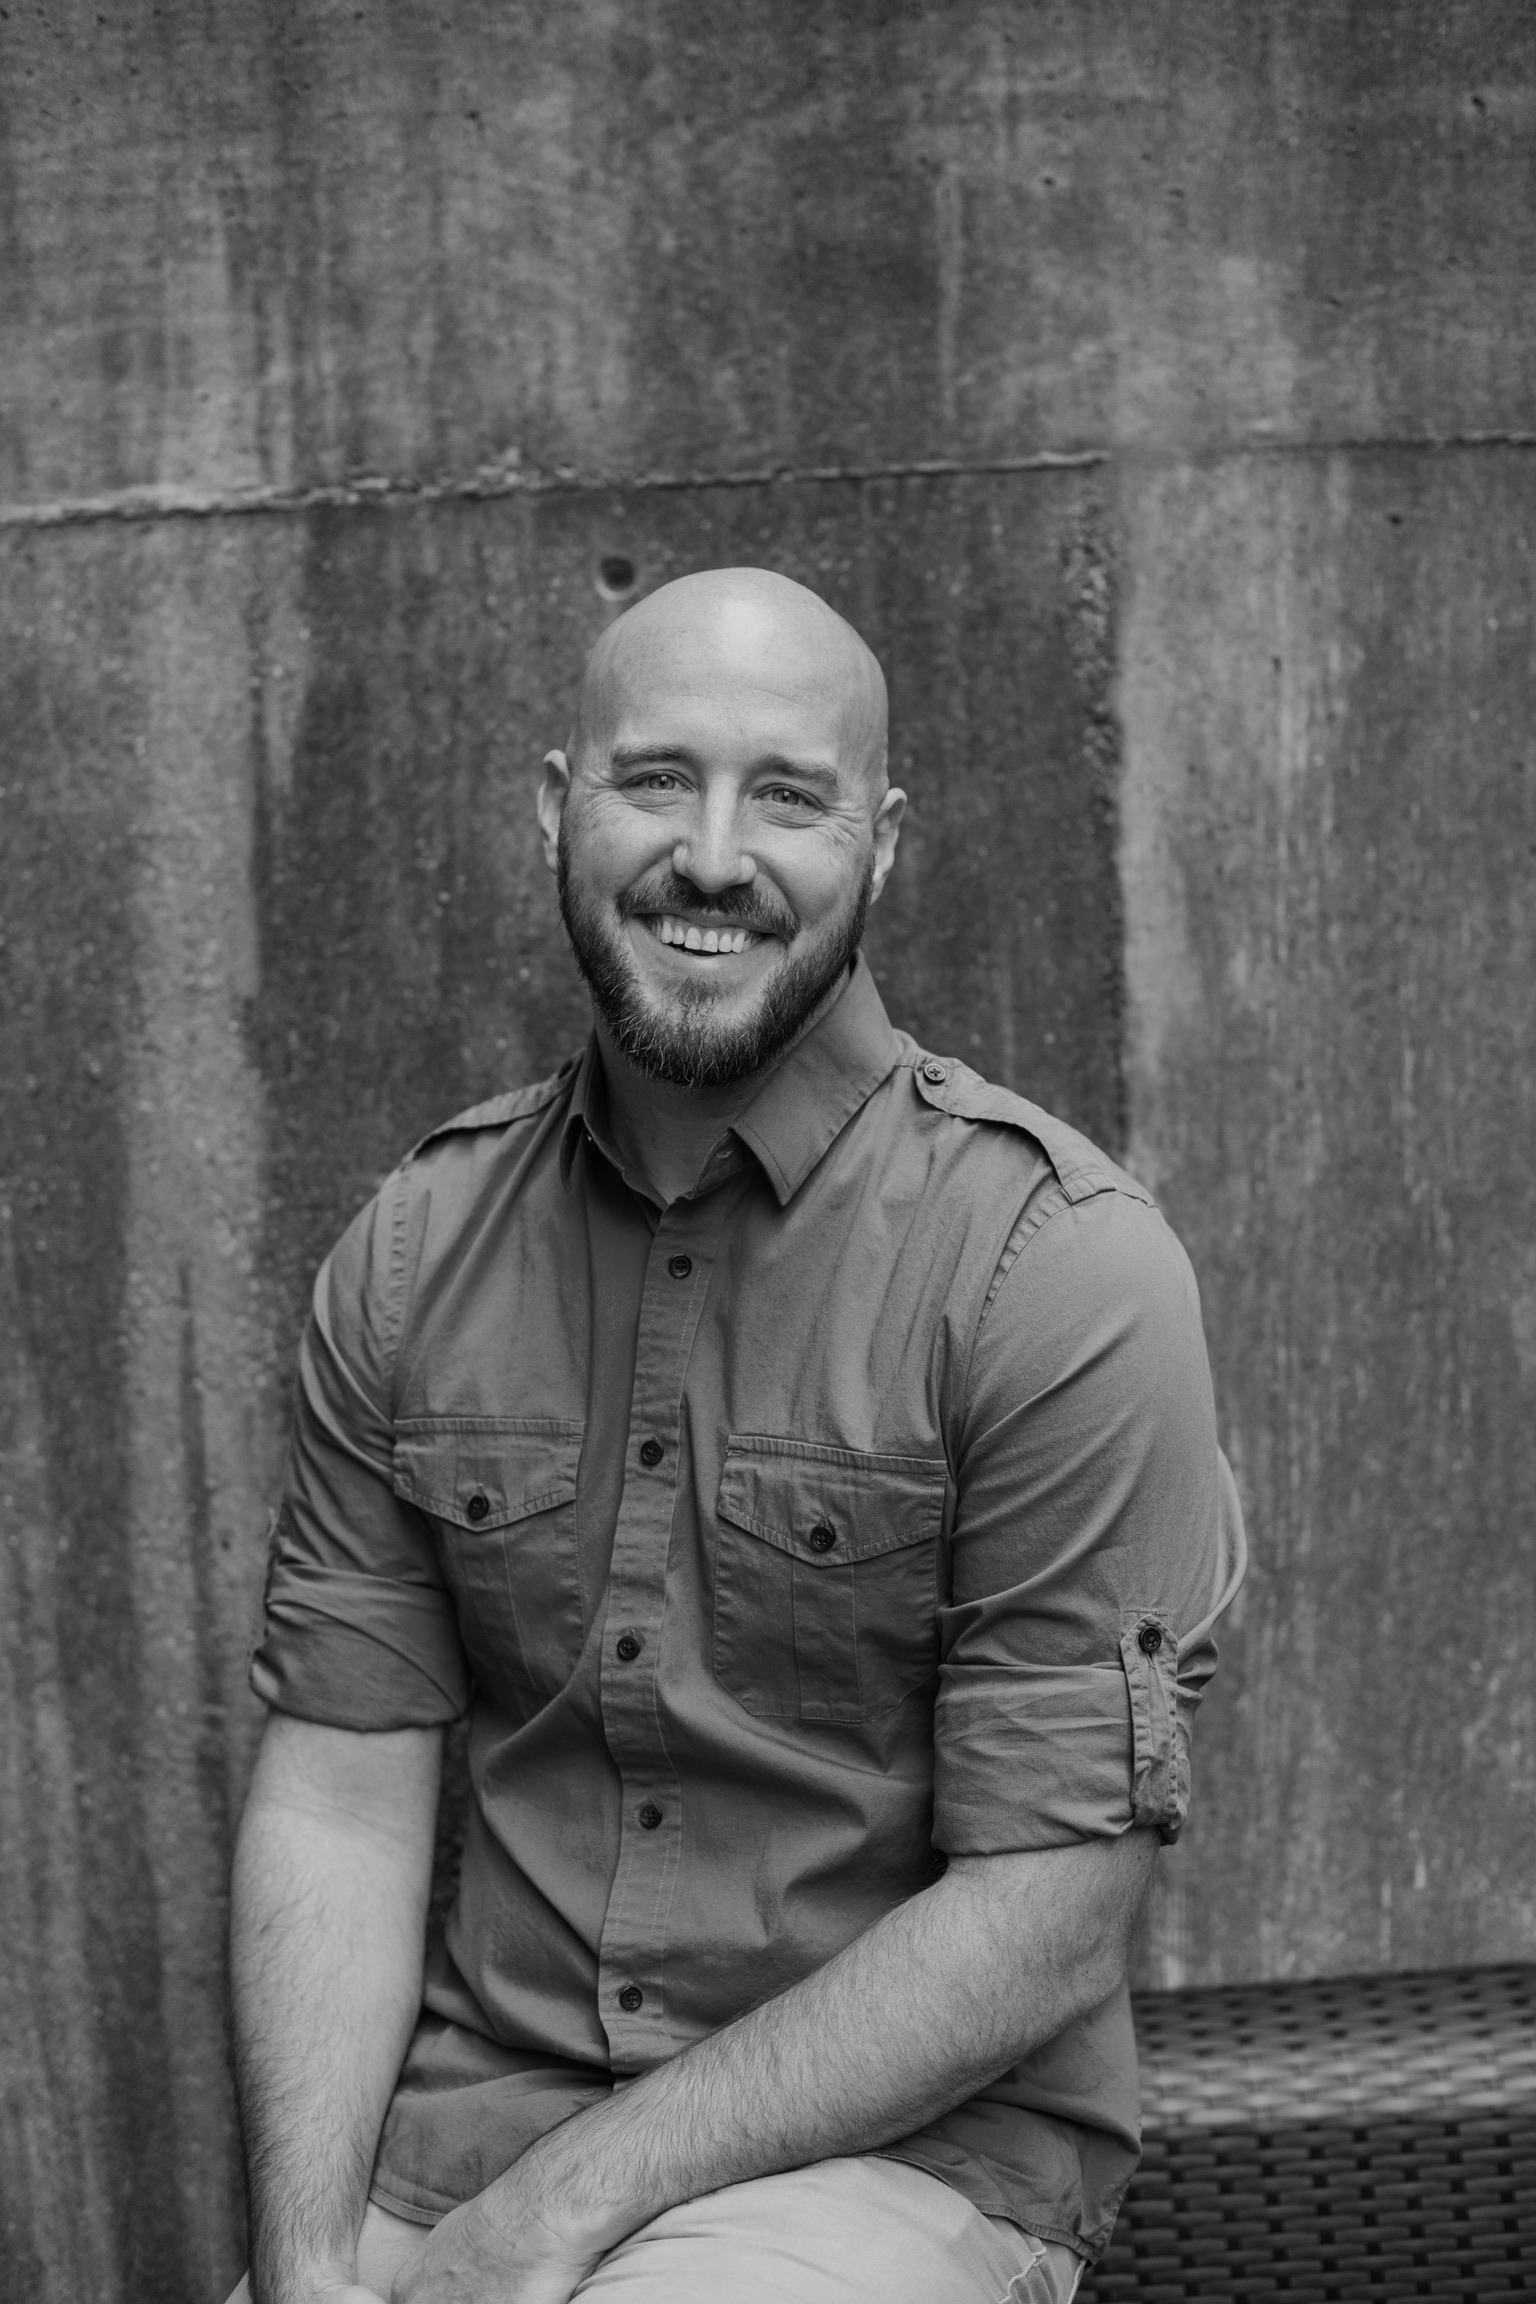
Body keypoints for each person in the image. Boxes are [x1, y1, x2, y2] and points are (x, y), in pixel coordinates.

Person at [228, 567, 1244, 2304]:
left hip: (884, 2170)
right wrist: (308, 2260)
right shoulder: (408, 1252)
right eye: (655, 779)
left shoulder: (1055, 1268)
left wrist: (559, 2218)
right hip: (463, 2149)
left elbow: (1051, 1915)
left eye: (788, 794)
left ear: (885, 841)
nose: (712, 854)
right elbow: (339, 1787)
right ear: (560, 809)